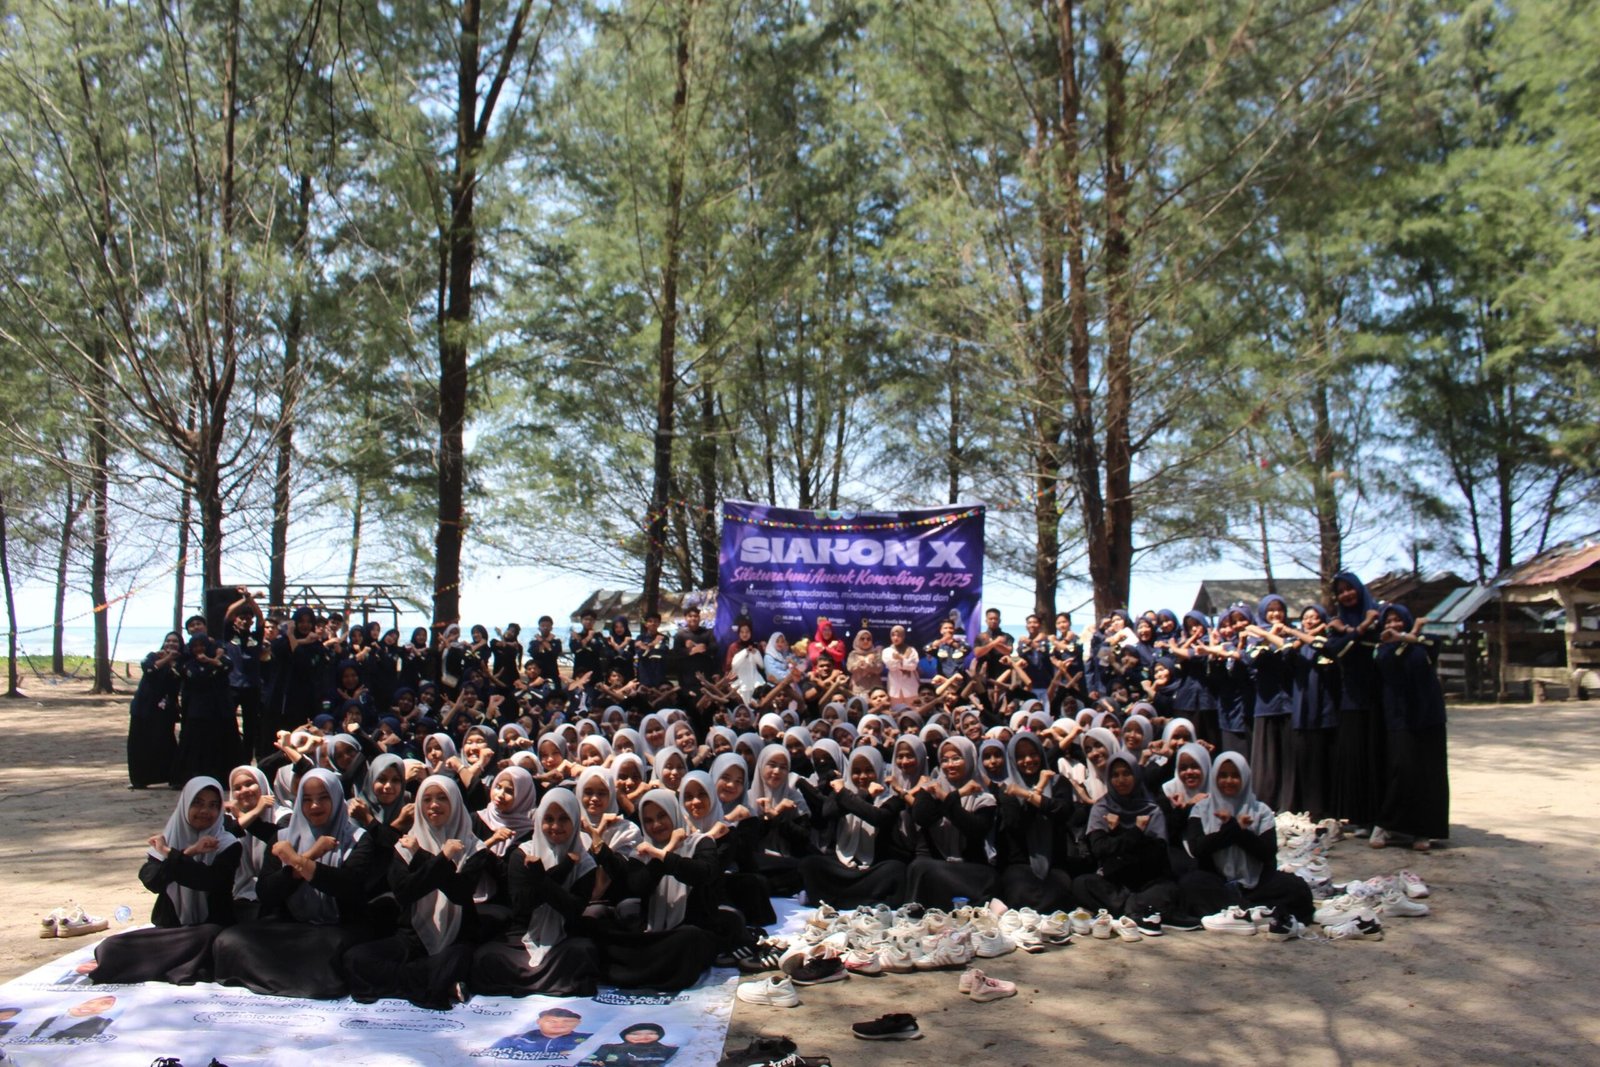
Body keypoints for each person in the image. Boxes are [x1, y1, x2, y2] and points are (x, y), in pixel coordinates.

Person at [212, 769, 378, 999]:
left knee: (329, 951)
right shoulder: (283, 837)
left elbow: (349, 886)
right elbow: (267, 893)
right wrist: (304, 861)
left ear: (337, 798)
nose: (314, 806)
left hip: (338, 926)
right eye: (307, 799)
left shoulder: (358, 839)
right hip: (291, 926)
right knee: (229, 941)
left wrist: (297, 860)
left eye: (323, 798)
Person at [343, 775, 490, 1009]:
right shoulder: (405, 845)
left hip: (456, 937)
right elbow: (405, 893)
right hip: (412, 937)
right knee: (356, 959)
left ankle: (413, 980)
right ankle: (431, 981)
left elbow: (460, 892)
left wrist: (424, 857)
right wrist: (440, 859)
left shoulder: (474, 848)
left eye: (442, 798)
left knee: (453, 962)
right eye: (427, 799)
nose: (434, 805)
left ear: (455, 802)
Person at [92, 777, 241, 984]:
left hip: (209, 930)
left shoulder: (228, 844)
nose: (205, 811)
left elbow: (207, 880)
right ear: (185, 805)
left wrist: (172, 854)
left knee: (211, 937)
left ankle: (170, 965)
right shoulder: (168, 840)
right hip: (172, 931)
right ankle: (180, 965)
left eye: (213, 805)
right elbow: (153, 881)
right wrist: (188, 852)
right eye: (198, 803)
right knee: (110, 947)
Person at [1180, 752, 1313, 924]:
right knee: (1191, 883)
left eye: (1235, 776)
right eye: (1223, 775)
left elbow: (1267, 852)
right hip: (1218, 882)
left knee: (1296, 888)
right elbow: (1198, 848)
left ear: (1245, 778)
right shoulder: (1201, 809)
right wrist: (1233, 828)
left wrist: (1240, 832)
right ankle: (1253, 912)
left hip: (1256, 885)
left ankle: (1237, 912)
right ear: (1214, 778)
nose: (1229, 781)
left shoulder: (1261, 810)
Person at [1071, 748, 1180, 933]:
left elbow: (1155, 855)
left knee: (1169, 890)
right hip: (1114, 882)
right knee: (1082, 884)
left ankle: (1126, 910)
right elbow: (1100, 849)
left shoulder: (1151, 809)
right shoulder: (1102, 808)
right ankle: (1136, 910)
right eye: (1115, 775)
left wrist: (1117, 834)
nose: (1121, 780)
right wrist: (1136, 832)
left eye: (1127, 773)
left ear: (1136, 775)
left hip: (1148, 881)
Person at [1371, 604, 1450, 851]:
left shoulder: (1425, 641)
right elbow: (1386, 664)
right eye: (1388, 621)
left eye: (1398, 620)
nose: (1393, 625)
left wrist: (1409, 635)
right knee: (1402, 769)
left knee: (1429, 773)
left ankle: (1423, 830)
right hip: (1399, 716)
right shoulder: (1382, 648)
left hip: (1429, 715)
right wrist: (1404, 637)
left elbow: (1433, 644)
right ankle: (1385, 824)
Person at [798, 748, 908, 907]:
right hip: (843, 866)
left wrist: (848, 795)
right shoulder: (842, 795)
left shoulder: (892, 800)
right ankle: (863, 899)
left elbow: (877, 817)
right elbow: (829, 812)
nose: (862, 776)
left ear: (878, 769)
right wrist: (865, 795)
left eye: (869, 770)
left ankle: (841, 898)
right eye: (856, 772)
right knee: (810, 864)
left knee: (896, 869)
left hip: (872, 869)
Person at [905, 737, 997, 909]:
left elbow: (974, 829)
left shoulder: (984, 798)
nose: (950, 765)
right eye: (945, 760)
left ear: (969, 759)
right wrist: (957, 795)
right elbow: (922, 817)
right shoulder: (930, 789)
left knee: (987, 877)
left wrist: (945, 797)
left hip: (969, 866)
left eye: (956, 758)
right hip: (935, 863)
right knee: (920, 867)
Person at [128, 632, 183, 789]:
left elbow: (179, 679)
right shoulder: (152, 656)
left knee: (165, 742)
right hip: (143, 706)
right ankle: (139, 779)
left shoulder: (181, 662)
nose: (171, 644)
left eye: (175, 641)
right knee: (139, 744)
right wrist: (167, 658)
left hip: (165, 709)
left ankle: (172, 777)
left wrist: (172, 661)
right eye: (168, 641)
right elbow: (150, 670)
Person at [491, 1006, 592, 1056]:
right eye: (552, 1021)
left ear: (577, 1023)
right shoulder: (515, 1040)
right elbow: (491, 1056)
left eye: (566, 1021)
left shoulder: (591, 1039)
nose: (559, 1025)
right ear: (539, 1021)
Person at [578, 1022, 679, 1067]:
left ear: (659, 1035)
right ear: (624, 1036)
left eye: (651, 1033)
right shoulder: (609, 1048)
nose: (643, 1037)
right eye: (635, 1034)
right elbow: (586, 1061)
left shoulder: (670, 1050)